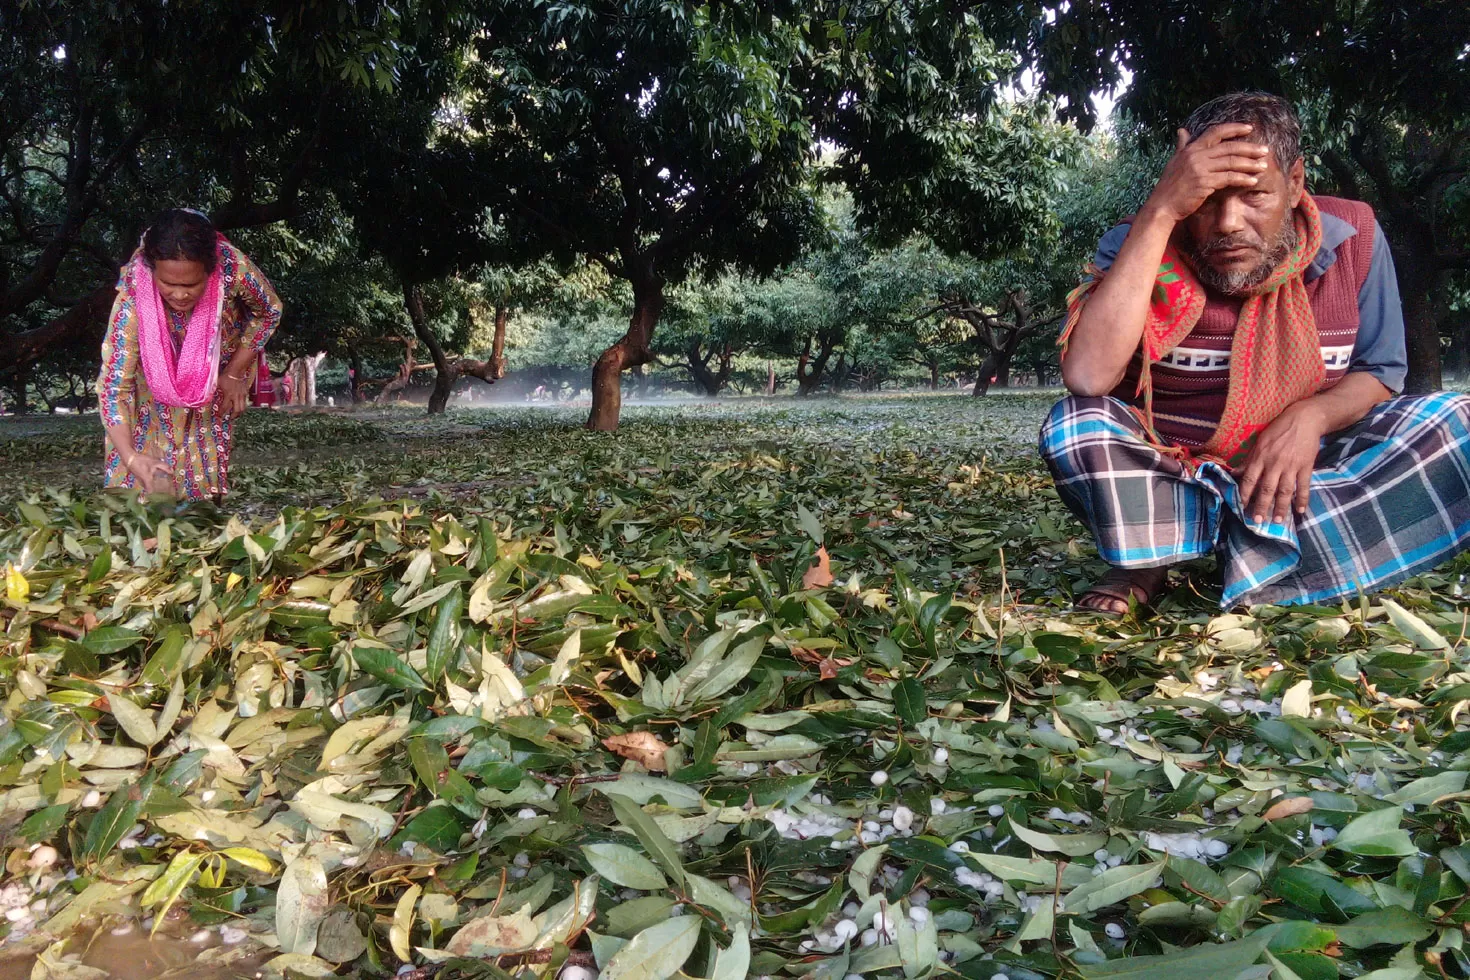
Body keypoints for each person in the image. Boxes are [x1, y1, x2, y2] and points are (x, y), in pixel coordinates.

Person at [1040, 92, 1470, 613]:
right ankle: (1154, 559)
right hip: (1175, 473)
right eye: (1207, 198)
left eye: (1253, 196)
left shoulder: (1353, 237)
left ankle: (1239, 550)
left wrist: (1310, 418)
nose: (1226, 222)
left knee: (1459, 423)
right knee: (1075, 427)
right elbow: (1087, 377)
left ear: (1294, 183)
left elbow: (1379, 371)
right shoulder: (1140, 242)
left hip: (1301, 473)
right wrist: (1161, 210)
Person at [97, 208, 283, 500]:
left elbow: (269, 311)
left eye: (191, 285)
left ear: (210, 271)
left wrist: (234, 372)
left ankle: (202, 511)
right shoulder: (134, 294)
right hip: (153, 382)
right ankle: (147, 512)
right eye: (168, 284)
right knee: (143, 473)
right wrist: (130, 457)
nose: (180, 295)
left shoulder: (232, 267)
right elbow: (113, 389)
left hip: (212, 372)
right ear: (152, 270)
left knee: (202, 478)